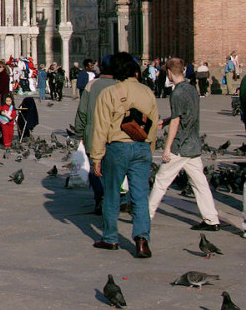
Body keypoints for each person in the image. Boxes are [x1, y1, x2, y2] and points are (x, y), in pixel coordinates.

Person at [90, 52, 159, 258]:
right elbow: (153, 123)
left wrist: (96, 156)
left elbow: (100, 127)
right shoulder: (147, 92)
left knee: (111, 194)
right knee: (139, 196)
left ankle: (110, 238)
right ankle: (141, 240)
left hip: (117, 147)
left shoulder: (109, 93)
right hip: (141, 146)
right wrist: (149, 148)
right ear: (135, 71)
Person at [147, 57, 221, 232]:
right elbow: (186, 115)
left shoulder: (177, 93)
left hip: (180, 146)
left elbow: (177, 121)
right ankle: (211, 219)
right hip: (193, 144)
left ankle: (146, 216)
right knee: (200, 183)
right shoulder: (191, 89)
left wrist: (166, 147)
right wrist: (166, 120)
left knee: (161, 181)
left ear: (170, 73)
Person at [74, 56, 115, 216]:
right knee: (114, 168)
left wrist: (79, 130)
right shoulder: (120, 85)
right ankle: (118, 198)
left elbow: (82, 111)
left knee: (94, 168)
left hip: (93, 133)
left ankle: (100, 198)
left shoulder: (92, 85)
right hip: (114, 135)